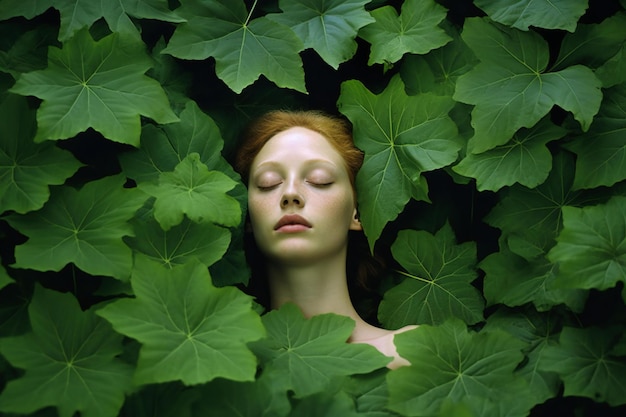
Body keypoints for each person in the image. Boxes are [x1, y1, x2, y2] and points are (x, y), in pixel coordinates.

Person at [235, 110, 416, 369]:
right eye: (268, 183)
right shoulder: (232, 362)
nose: (290, 194)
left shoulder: (409, 351)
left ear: (357, 213)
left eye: (320, 180)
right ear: (249, 218)